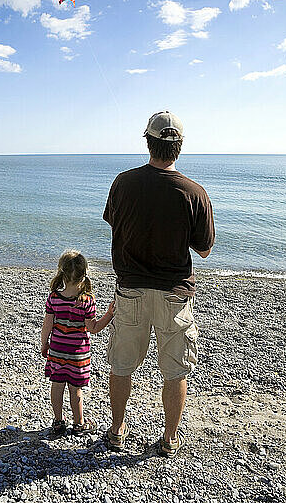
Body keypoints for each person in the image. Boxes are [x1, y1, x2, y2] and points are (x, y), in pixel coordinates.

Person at [103, 111, 215, 457]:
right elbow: (205, 249)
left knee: (122, 365)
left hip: (131, 291)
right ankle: (168, 439)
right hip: (173, 295)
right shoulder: (193, 192)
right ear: (179, 147)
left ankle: (118, 430)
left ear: (148, 142)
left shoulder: (122, 182)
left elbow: (115, 224)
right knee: (175, 369)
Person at [41, 250, 114, 436]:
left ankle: (58, 422)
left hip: (57, 350)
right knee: (76, 391)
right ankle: (79, 424)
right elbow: (93, 328)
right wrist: (110, 314)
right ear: (84, 274)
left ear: (62, 273)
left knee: (57, 387)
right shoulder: (87, 301)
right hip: (78, 354)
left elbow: (47, 326)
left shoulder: (54, 298)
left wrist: (44, 344)